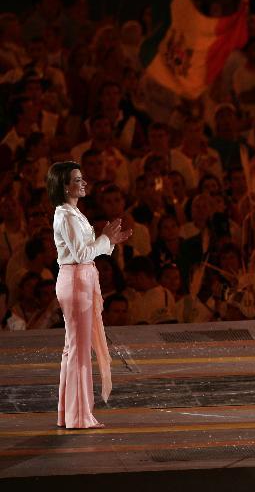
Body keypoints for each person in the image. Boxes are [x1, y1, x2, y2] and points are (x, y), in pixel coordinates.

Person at [47, 161, 132, 429]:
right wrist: (105, 239)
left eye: (82, 178)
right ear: (64, 185)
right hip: (75, 281)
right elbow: (81, 254)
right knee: (78, 349)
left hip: (79, 279)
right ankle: (78, 415)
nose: (83, 183)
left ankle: (70, 412)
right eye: (77, 179)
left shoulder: (73, 213)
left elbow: (86, 249)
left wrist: (109, 241)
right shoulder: (66, 215)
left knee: (74, 348)